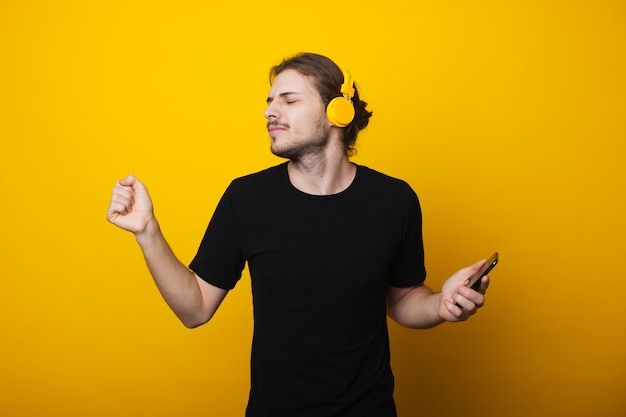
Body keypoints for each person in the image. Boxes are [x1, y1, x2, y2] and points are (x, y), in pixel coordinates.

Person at [106, 52, 489, 417]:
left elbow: (403, 299)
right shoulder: (247, 198)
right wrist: (147, 231)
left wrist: (440, 305)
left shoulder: (394, 200)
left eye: (289, 100)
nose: (270, 111)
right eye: (270, 101)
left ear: (338, 111)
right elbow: (195, 309)